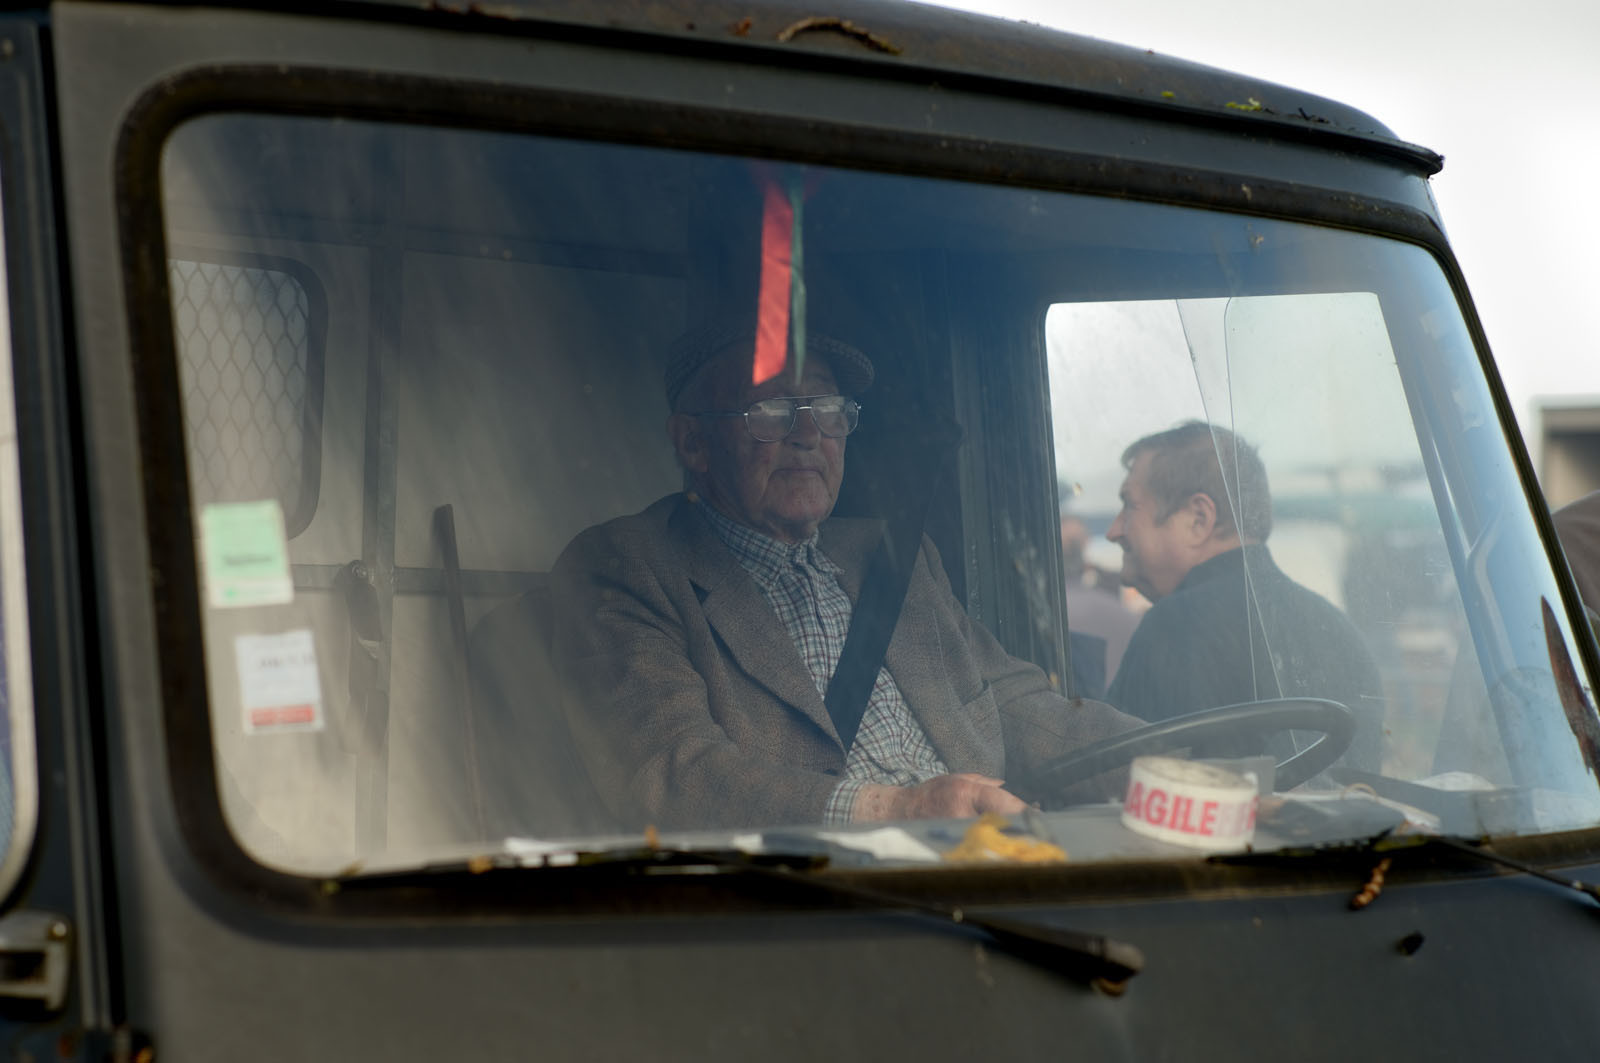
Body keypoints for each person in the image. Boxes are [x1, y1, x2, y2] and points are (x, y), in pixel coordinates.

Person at [551, 324, 1141, 830]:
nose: (809, 434)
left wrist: (1159, 761)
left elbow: (1016, 703)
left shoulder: (895, 557)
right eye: (772, 410)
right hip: (816, 897)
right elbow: (672, 774)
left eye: (829, 409)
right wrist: (898, 809)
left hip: (984, 860)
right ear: (694, 442)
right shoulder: (628, 566)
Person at [1103, 421, 1384, 771]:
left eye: (1129, 505)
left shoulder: (1174, 626)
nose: (1113, 530)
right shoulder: (1338, 628)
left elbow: (1116, 781)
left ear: (1198, 519)